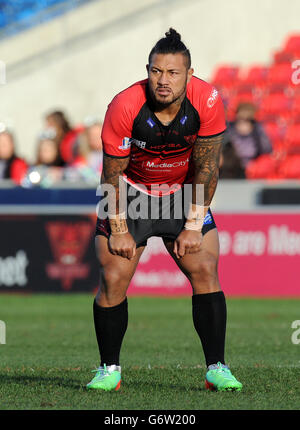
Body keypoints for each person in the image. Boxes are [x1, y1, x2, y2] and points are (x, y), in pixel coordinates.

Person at [87, 29, 243, 392]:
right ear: (147, 71)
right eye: (157, 71)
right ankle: (109, 369)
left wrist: (192, 224)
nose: (163, 80)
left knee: (205, 267)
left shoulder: (207, 100)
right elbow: (111, 174)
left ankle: (216, 368)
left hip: (182, 192)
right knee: (112, 278)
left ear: (189, 74)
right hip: (132, 191)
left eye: (173, 73)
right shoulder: (124, 105)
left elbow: (207, 167)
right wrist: (120, 227)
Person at [226, 102, 272, 169]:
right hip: (233, 165)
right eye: (241, 118)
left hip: (254, 165)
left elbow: (267, 148)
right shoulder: (230, 128)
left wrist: (253, 132)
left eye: (247, 120)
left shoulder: (257, 129)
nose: (244, 122)